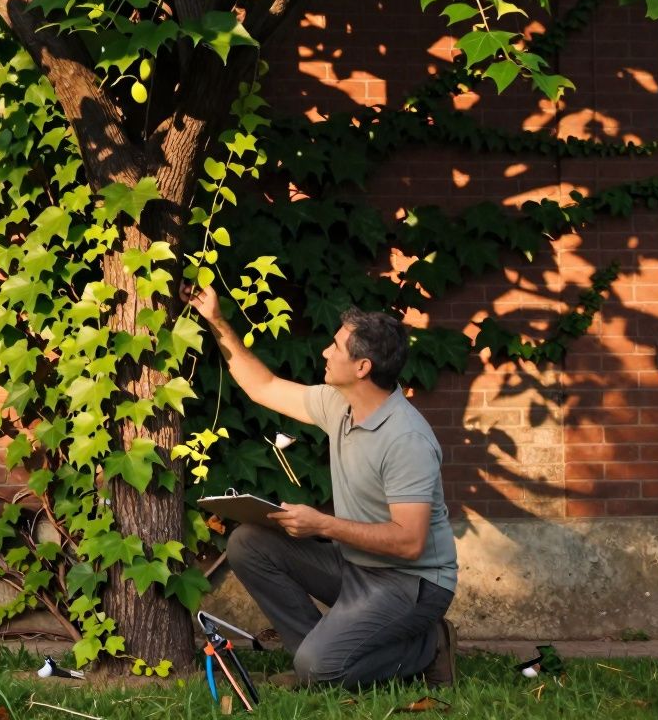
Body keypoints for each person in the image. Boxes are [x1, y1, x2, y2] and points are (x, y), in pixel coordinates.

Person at [184, 284, 458, 689]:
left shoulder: (406, 439)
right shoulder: (339, 404)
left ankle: (429, 644)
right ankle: (315, 657)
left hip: (411, 583)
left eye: (335, 346)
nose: (325, 353)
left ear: (362, 367)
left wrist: (323, 526)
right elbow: (264, 387)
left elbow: (409, 543)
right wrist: (217, 321)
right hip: (356, 565)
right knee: (247, 543)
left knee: (321, 669)